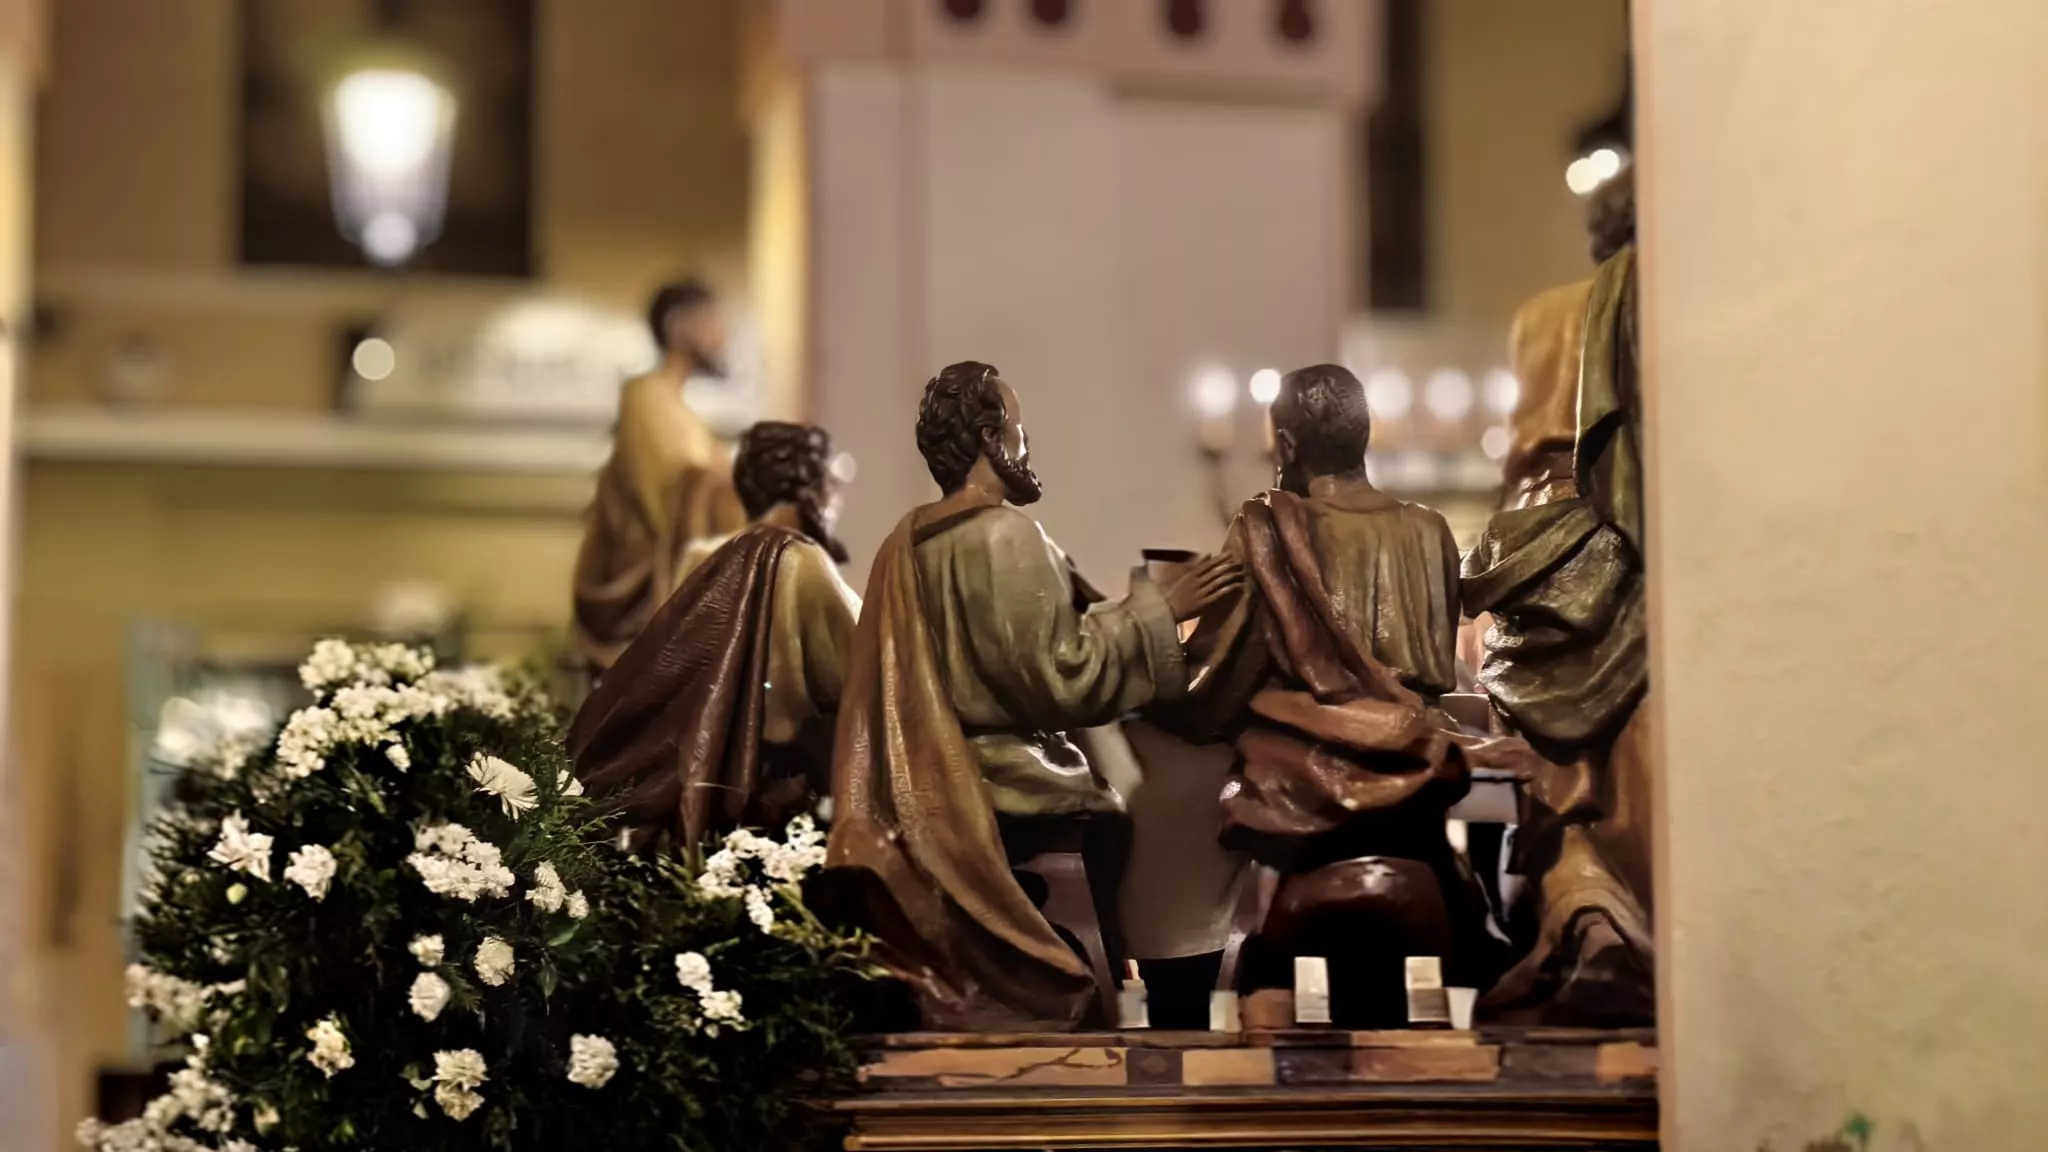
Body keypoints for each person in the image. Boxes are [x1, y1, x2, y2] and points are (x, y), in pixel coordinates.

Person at [824, 360, 1240, 1031]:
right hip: (999, 780)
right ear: (991, 439)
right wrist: (1161, 611)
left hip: (928, 774)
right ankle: (1120, 997)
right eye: (1019, 431)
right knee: (1142, 812)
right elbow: (1060, 677)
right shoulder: (1005, 534)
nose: (1027, 447)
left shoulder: (906, 541)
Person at [1154, 364, 1534, 1026]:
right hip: (1416, 781)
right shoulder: (1431, 530)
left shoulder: (1265, 527)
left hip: (1309, 791)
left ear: (1289, 447)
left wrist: (1154, 641)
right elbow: (1437, 664)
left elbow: (1220, 676)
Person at [1463, 168, 1654, 1024]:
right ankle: (1616, 921)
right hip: (1621, 529)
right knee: (1621, 761)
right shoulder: (1662, 300)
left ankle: (1580, 915)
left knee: (1547, 764)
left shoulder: (1539, 317)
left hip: (1538, 546)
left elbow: (1518, 459)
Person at [570, 421, 859, 850]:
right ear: (808, 490)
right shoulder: (803, 561)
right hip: (778, 789)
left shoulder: (701, 556)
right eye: (833, 484)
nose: (838, 501)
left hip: (701, 777)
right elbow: (863, 672)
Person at [571, 279, 748, 674]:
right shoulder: (646, 396)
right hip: (645, 594)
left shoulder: (679, 408)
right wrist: (727, 485)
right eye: (712, 321)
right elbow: (670, 490)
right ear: (679, 326)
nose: (723, 334)